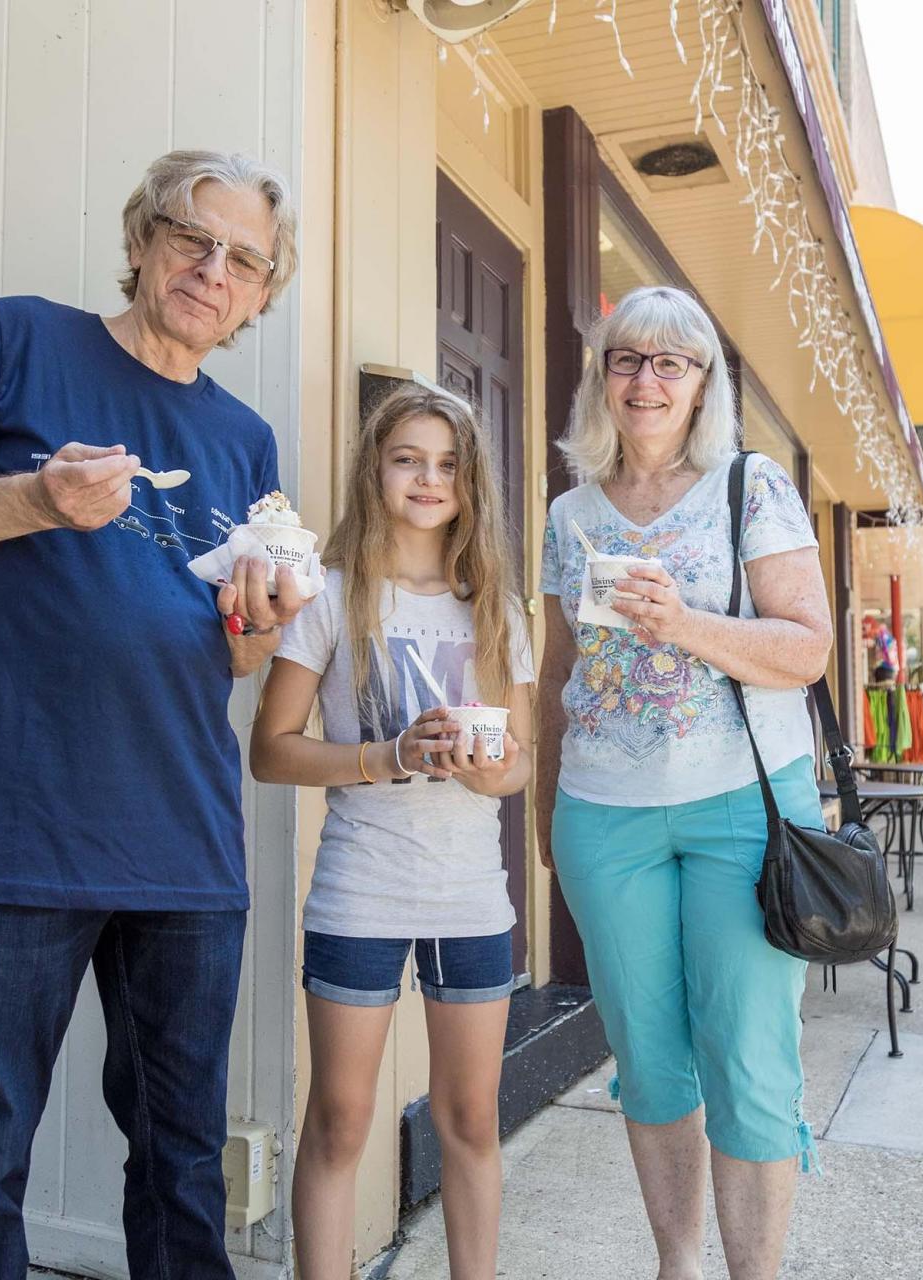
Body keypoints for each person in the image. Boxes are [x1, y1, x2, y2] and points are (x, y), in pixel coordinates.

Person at [0, 150, 302, 1279]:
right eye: (193, 237)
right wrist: (35, 496)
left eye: (243, 259)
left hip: (185, 842)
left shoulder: (244, 440)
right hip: (11, 822)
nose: (212, 268)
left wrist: (266, 621)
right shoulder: (19, 339)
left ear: (258, 295)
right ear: (142, 238)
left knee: (183, 1156)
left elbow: (231, 657)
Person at [535, 285, 833, 1280]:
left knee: (749, 1061)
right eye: (627, 358)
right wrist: (546, 810)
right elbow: (551, 673)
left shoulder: (752, 487)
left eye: (673, 361)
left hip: (742, 810)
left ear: (705, 383)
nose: (647, 379)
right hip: (604, 815)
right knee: (649, 1060)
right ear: (602, 378)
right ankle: (680, 1263)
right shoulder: (569, 512)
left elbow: (806, 649)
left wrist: (686, 624)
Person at [251, 385, 532, 1280]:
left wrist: (488, 769)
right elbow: (271, 751)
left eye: (448, 464)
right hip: (359, 890)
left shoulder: (499, 607)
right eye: (408, 457)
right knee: (339, 1122)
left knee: (472, 1122)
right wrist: (390, 756)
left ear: (471, 483)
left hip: (470, 896)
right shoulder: (331, 597)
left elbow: (518, 765)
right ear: (376, 468)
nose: (428, 478)